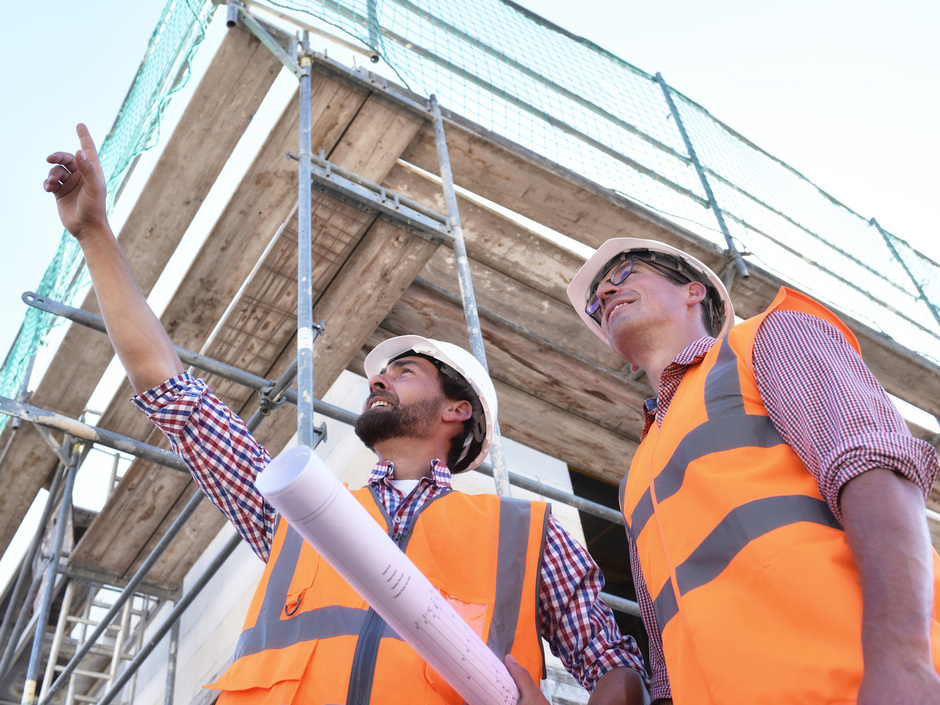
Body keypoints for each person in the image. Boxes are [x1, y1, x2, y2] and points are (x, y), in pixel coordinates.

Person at [43, 124, 651, 704]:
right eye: (377, 374)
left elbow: (613, 665)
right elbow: (172, 391)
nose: (377, 376)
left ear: (458, 410)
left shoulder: (527, 535)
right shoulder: (302, 515)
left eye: (403, 371)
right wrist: (94, 233)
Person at [565, 236, 940, 704]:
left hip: (853, 684)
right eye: (597, 301)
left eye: (623, 274)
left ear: (694, 290)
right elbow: (664, 649)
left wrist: (903, 662)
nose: (603, 296)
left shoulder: (766, 338)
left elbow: (878, 475)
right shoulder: (638, 472)